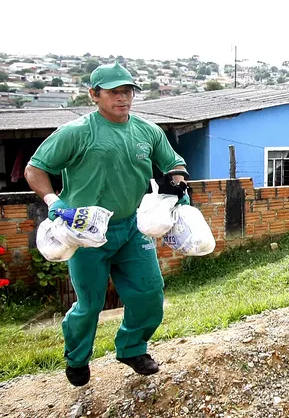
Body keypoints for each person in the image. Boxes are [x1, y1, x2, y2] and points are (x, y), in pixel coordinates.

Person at [25, 62, 192, 387]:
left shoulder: (147, 131)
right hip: (85, 231)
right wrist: (53, 203)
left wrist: (178, 185)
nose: (123, 97)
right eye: (114, 91)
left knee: (149, 294)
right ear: (94, 94)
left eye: (127, 90)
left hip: (131, 227)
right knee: (90, 304)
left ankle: (131, 347)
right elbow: (35, 169)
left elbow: (173, 162)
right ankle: (76, 358)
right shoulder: (76, 133)